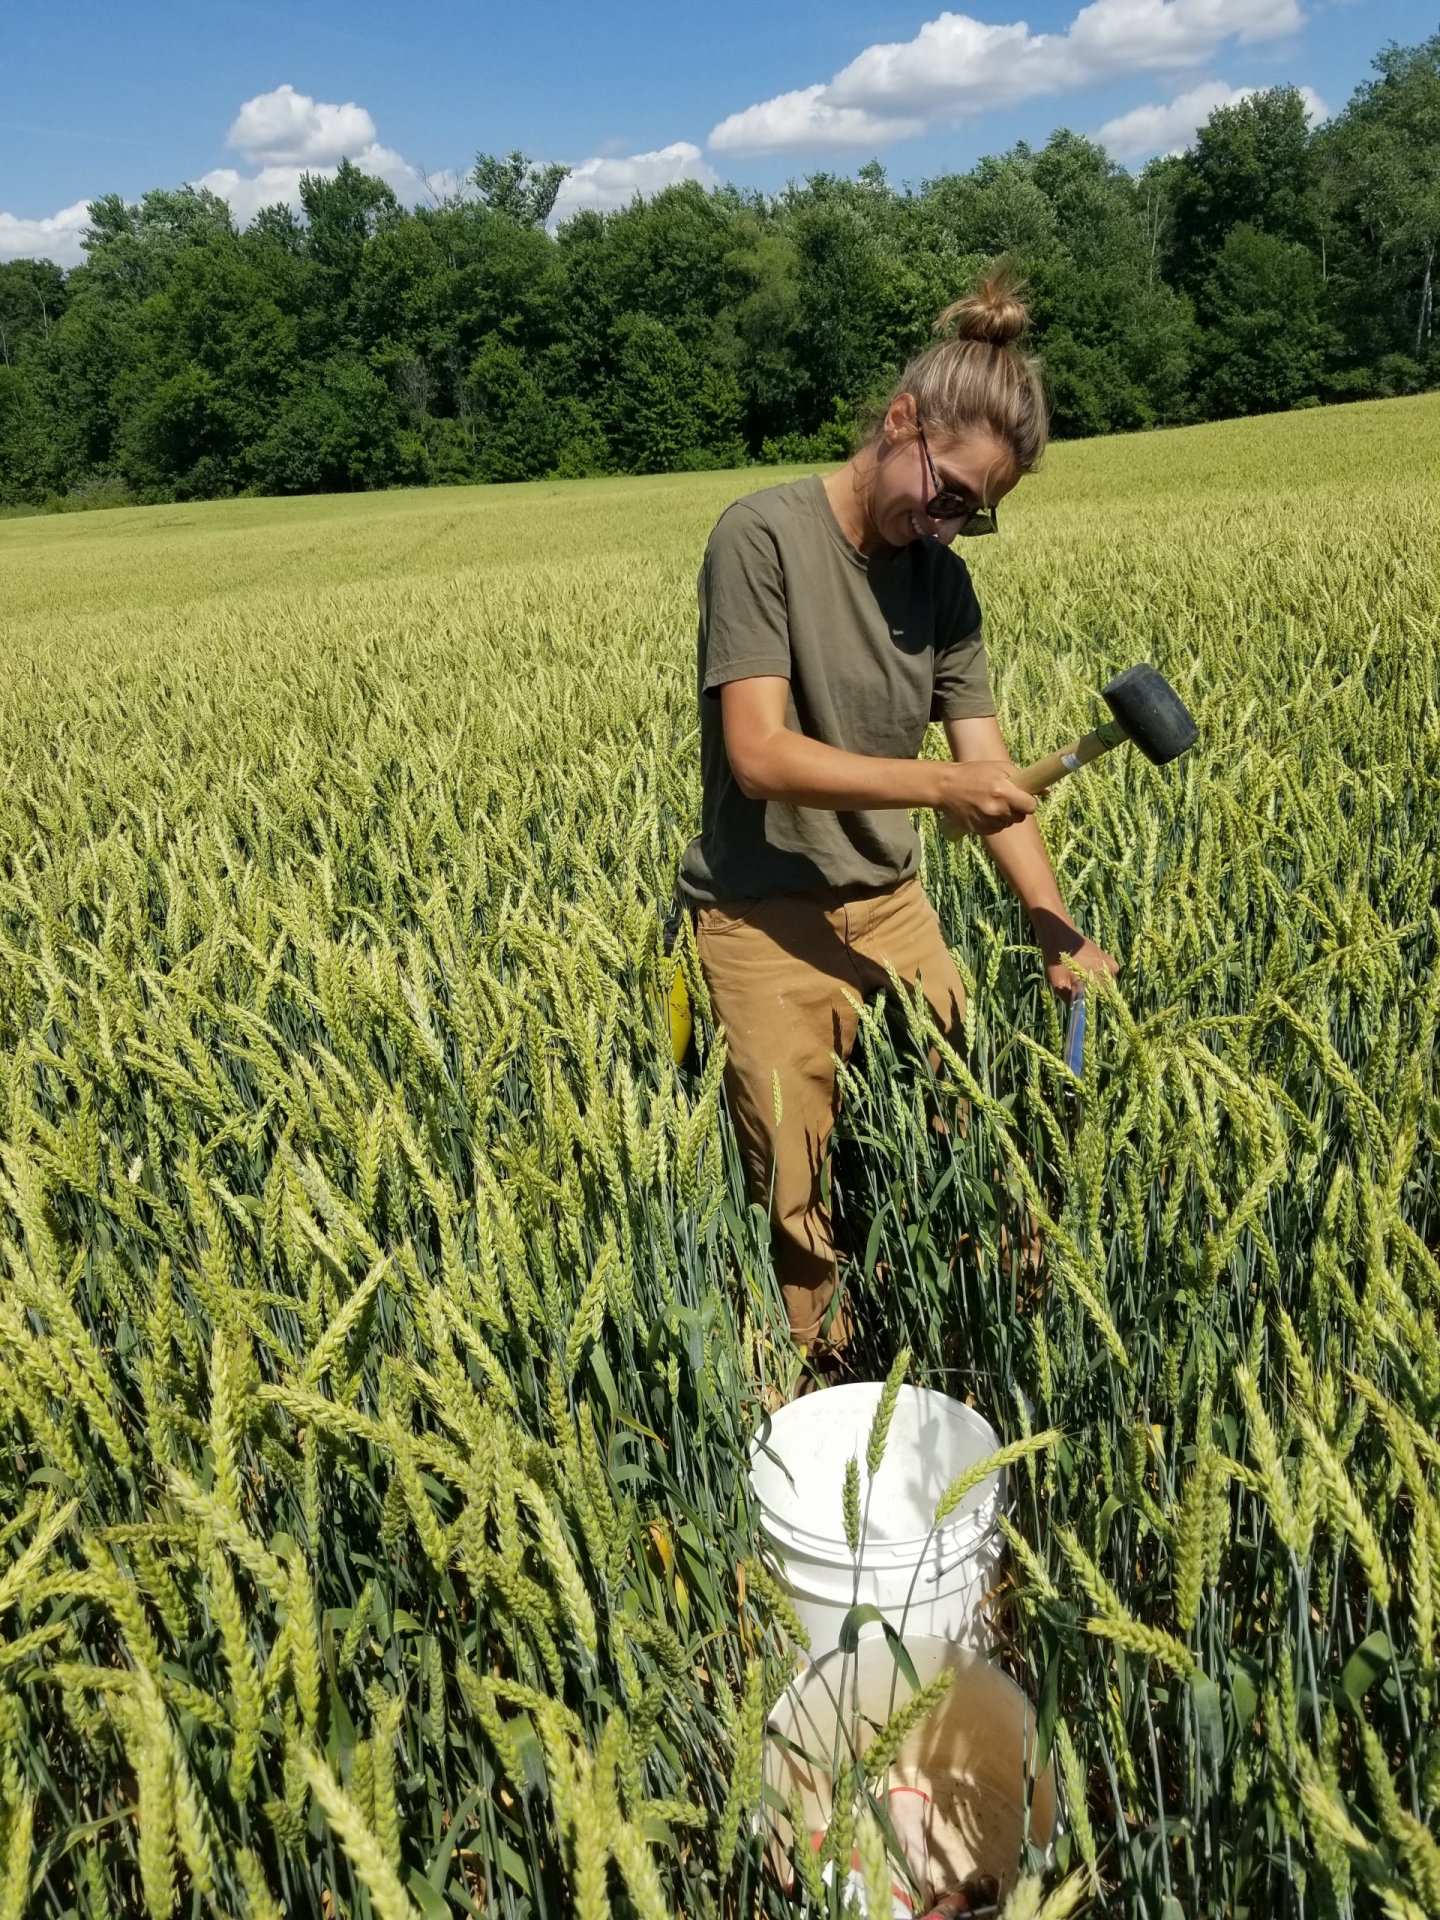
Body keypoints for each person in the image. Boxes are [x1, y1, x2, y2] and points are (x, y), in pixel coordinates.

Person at [677, 267, 1117, 1383]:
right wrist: (935, 788)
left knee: (968, 1146)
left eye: (978, 512)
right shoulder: (761, 539)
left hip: (894, 909)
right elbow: (759, 754)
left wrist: (1050, 921)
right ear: (902, 421)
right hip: (762, 919)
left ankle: (984, 1367)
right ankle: (822, 1390)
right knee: (797, 1191)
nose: (954, 523)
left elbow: (989, 776)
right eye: (951, 491)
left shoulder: (942, 586)